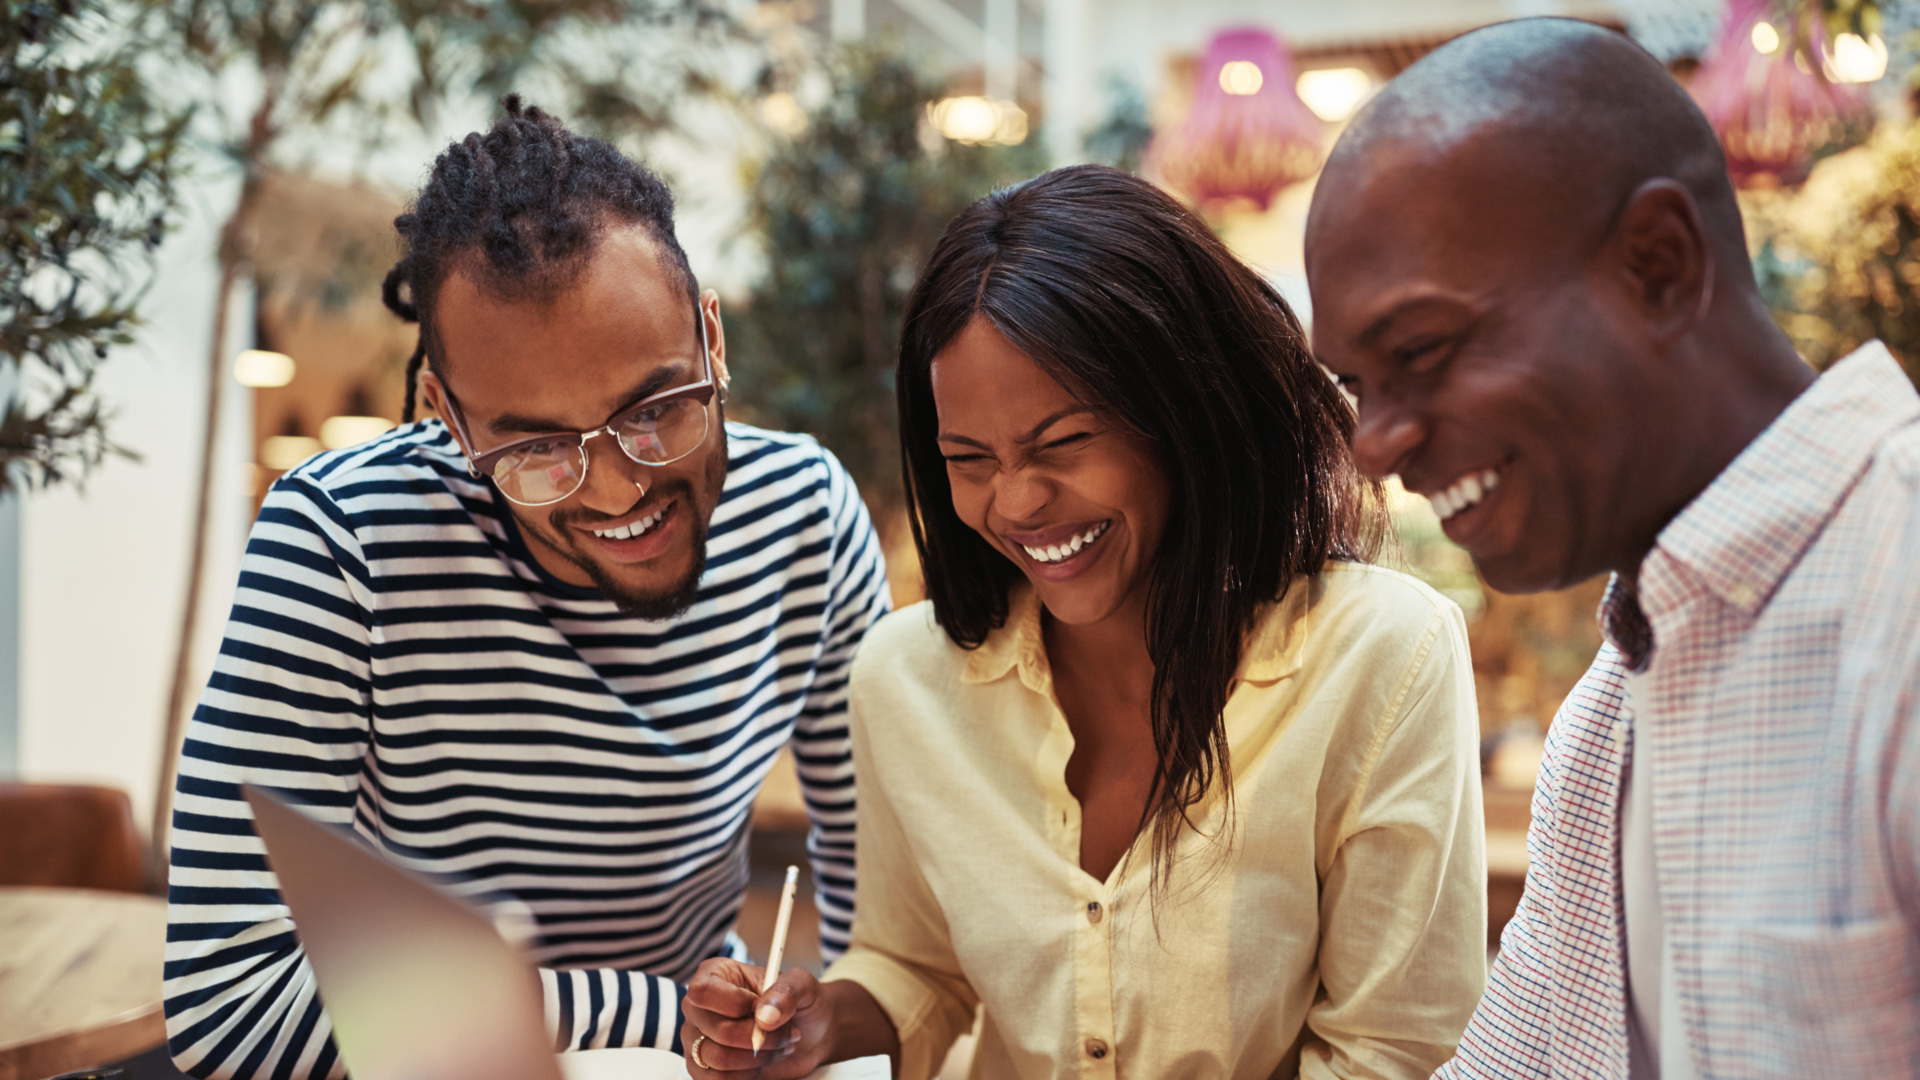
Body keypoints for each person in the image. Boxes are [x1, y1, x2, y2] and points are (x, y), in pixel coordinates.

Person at [678, 165, 1488, 1080]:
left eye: (1063, 444)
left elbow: (1395, 1053)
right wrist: (822, 1018)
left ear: (1186, 411)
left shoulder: (1384, 655)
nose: (1018, 502)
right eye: (969, 459)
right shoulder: (906, 677)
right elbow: (919, 969)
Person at [162, 98, 890, 1079]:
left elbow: (880, 921)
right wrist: (651, 1010)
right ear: (447, 418)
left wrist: (824, 1019)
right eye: (538, 448)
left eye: (657, 407)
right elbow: (229, 1002)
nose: (621, 486)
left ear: (711, 336)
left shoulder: (805, 519)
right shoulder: (340, 547)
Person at [1306, 18, 1920, 1080]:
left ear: (1659, 266)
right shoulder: (1610, 714)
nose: (1377, 444)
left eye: (1420, 352)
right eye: (1359, 387)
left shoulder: (1898, 596)